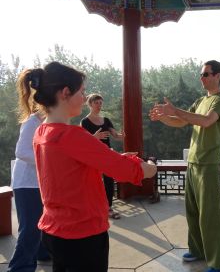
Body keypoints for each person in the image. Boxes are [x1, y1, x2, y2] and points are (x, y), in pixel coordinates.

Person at [21, 61, 157, 272]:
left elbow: (72, 164)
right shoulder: (72, 135)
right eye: (82, 92)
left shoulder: (42, 132)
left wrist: (114, 156)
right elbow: (127, 171)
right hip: (82, 235)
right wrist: (148, 166)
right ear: (66, 93)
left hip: (53, 230)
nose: (84, 99)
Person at [149, 60, 220, 272]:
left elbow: (205, 121)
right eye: (201, 74)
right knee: (193, 211)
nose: (201, 78)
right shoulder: (200, 100)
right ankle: (198, 250)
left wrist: (174, 109)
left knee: (210, 214)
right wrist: (165, 117)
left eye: (205, 74)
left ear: (217, 76)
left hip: (209, 163)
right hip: (193, 162)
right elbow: (182, 121)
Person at [8, 71, 50, 272]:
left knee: (41, 223)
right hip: (26, 183)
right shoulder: (32, 121)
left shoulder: (46, 120)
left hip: (38, 183)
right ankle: (20, 267)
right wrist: (49, 160)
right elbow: (22, 152)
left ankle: (42, 252)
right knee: (30, 228)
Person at [81, 93, 124, 219]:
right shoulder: (85, 122)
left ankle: (108, 207)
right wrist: (95, 137)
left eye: (100, 103)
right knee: (91, 181)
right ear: (90, 104)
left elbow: (114, 134)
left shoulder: (106, 120)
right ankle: (91, 207)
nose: (99, 105)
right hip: (92, 156)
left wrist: (120, 136)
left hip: (106, 154)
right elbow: (83, 141)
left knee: (109, 180)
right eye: (96, 103)